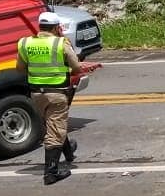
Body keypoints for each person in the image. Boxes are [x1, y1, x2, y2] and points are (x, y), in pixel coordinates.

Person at [16, 11, 101, 185]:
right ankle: (51, 172)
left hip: (36, 93)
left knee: (53, 124)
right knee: (55, 130)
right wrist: (79, 67)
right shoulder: (60, 43)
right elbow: (76, 68)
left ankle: (68, 152)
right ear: (56, 28)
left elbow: (21, 69)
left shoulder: (25, 43)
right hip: (57, 93)